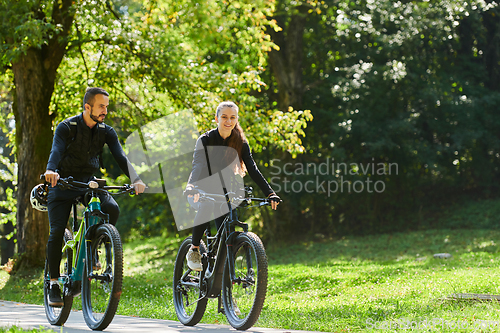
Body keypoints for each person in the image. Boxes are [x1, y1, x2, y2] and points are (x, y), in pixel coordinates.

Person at [44, 87, 146, 306]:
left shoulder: (106, 131)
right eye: (101, 106)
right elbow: (56, 151)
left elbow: (120, 157)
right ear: (87, 107)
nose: (105, 111)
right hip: (62, 182)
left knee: (112, 209)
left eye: (106, 107)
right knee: (56, 231)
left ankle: (93, 248)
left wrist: (136, 179)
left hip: (88, 181)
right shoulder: (67, 127)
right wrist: (51, 171)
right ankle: (53, 283)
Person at [184, 101, 280, 271]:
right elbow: (197, 165)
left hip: (225, 193)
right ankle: (194, 249)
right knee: (206, 206)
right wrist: (192, 186)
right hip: (201, 190)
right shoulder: (205, 140)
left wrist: (269, 193)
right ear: (216, 118)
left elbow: (252, 168)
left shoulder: (240, 143)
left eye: (232, 117)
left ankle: (226, 278)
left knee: (228, 231)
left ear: (236, 120)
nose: (228, 121)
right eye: (224, 117)